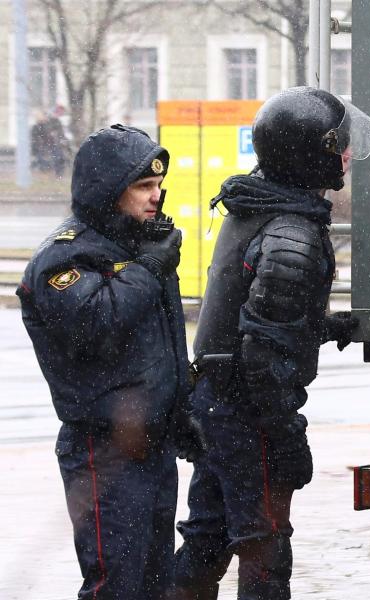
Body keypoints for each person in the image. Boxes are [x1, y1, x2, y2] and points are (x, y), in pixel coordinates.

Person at [172, 86, 370, 600]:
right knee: (265, 548)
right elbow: (263, 354)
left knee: (208, 538)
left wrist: (327, 327)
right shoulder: (292, 232)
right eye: (338, 146)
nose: (347, 156)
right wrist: (284, 433)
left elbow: (255, 321)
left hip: (218, 402)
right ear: (312, 154)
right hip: (248, 414)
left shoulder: (256, 205)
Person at [17, 124, 193, 599]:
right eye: (142, 186)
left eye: (158, 185)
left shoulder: (135, 246)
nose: (155, 196)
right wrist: (148, 270)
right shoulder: (65, 256)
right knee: (116, 583)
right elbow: (95, 324)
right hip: (104, 450)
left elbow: (164, 345)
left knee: (158, 581)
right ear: (109, 190)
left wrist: (184, 410)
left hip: (152, 443)